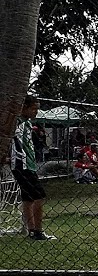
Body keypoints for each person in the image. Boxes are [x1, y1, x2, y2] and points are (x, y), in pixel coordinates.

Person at [10, 95, 55, 241]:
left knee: (28, 198)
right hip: (22, 164)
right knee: (39, 196)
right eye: (33, 108)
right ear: (24, 108)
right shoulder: (17, 123)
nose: (36, 112)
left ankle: (31, 230)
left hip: (28, 163)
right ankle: (38, 230)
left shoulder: (27, 123)